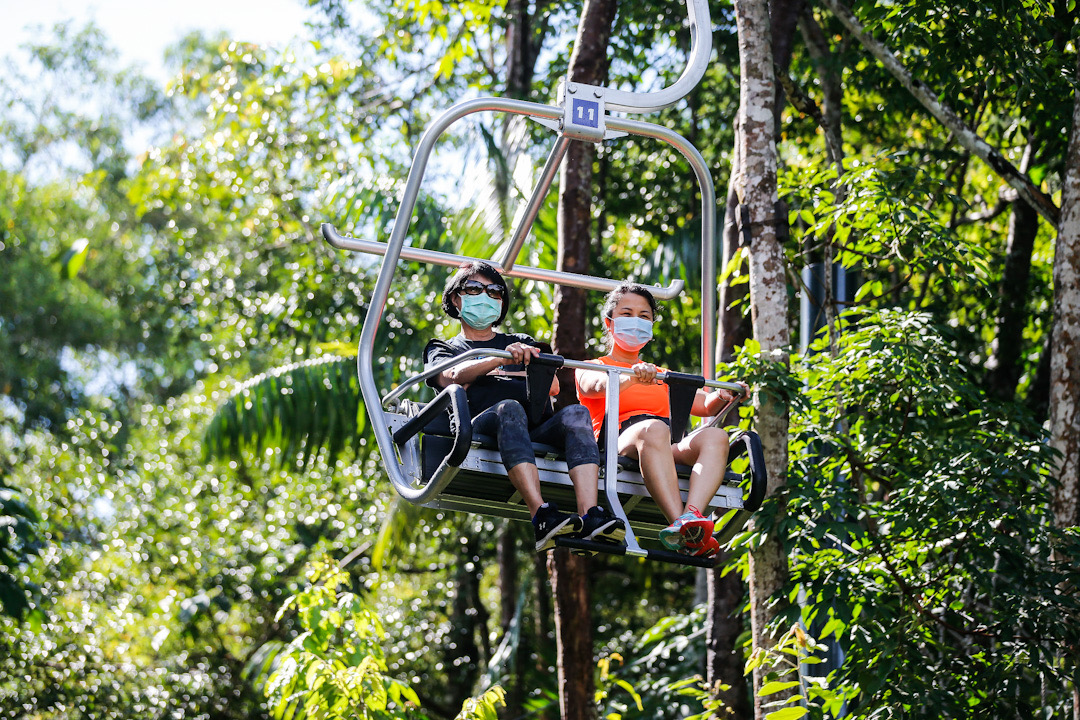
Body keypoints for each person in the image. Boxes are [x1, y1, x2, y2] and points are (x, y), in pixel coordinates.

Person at [424, 261, 626, 552]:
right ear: (457, 298)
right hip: (482, 424)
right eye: (474, 289)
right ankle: (540, 514)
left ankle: (590, 514)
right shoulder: (444, 348)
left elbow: (553, 386)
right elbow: (451, 376)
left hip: (534, 424)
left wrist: (484, 373)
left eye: (494, 291)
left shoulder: (522, 342)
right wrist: (501, 361)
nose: (485, 296)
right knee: (509, 407)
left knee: (577, 413)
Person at [575, 283, 747, 558]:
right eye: (627, 313)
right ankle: (680, 523)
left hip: (661, 442)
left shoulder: (660, 374)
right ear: (610, 323)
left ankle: (692, 515)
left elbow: (703, 406)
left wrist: (722, 395)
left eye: (644, 316)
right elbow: (593, 387)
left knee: (717, 437)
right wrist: (631, 376)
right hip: (617, 440)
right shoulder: (593, 365)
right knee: (654, 429)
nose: (636, 321)